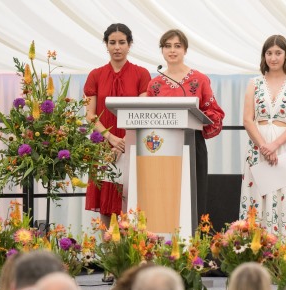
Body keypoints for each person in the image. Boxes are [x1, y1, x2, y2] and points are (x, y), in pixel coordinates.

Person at [147, 29, 225, 219]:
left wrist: (196, 116)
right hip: (162, 147)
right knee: (164, 198)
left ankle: (193, 245)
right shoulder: (154, 84)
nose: (172, 51)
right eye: (167, 46)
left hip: (192, 143)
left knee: (193, 197)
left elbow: (215, 113)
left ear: (185, 50)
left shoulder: (199, 80)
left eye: (177, 46)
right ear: (162, 50)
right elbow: (147, 115)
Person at [239, 35, 286, 235]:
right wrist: (264, 146)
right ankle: (255, 245)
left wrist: (274, 145)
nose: (273, 57)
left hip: (285, 146)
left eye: (278, 53)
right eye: (269, 53)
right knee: (258, 193)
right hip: (258, 145)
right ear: (264, 56)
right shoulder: (254, 83)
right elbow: (247, 120)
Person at [85, 23, 151, 226]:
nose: (117, 47)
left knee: (131, 199)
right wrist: (111, 138)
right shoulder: (95, 75)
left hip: (131, 143)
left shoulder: (142, 74)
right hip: (104, 144)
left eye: (122, 42)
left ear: (129, 45)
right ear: (106, 44)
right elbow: (90, 115)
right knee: (105, 203)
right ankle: (108, 255)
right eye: (112, 42)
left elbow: (143, 111)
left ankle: (130, 251)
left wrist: (126, 140)